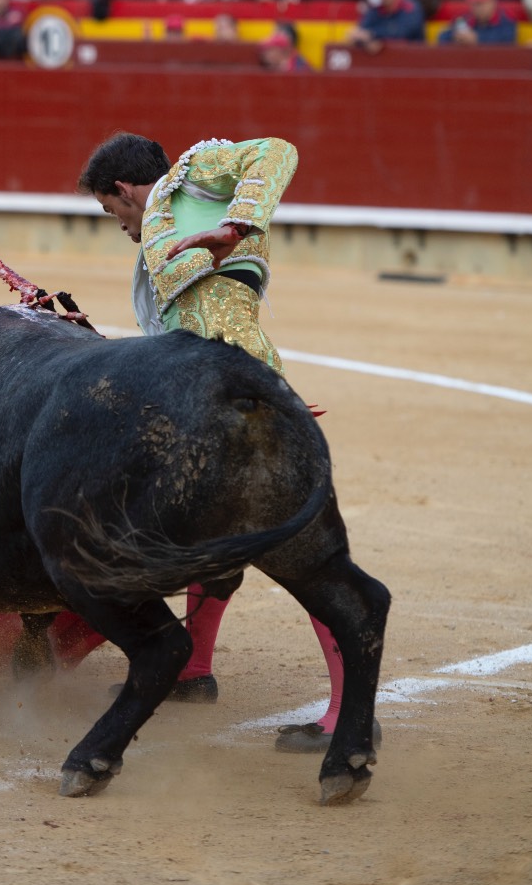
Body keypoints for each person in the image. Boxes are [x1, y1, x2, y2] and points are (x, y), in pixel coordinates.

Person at [77, 133, 359, 751]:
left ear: (124, 191)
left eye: (112, 212)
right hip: (213, 396)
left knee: (305, 554)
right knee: (208, 533)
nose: (120, 226)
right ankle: (192, 668)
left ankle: (347, 713)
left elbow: (280, 150)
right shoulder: (159, 243)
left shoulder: (192, 175)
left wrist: (236, 225)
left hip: (243, 399)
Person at [346, 0, 426, 50]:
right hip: (382, 60)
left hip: (411, 57)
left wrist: (373, 36)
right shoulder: (375, 7)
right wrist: (365, 39)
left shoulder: (411, 6)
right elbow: (362, 30)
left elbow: (402, 33)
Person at [437, 0, 517, 45]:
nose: (477, 9)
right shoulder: (465, 19)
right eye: (473, 5)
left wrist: (478, 40)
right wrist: (456, 37)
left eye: (480, 4)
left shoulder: (506, 20)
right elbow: (443, 37)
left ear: (493, 2)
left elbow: (506, 42)